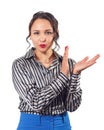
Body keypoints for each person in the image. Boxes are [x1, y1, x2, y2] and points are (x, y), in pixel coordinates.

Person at [12, 11, 100, 130]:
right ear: (30, 35)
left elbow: (72, 106)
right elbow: (36, 102)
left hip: (62, 123)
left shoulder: (69, 63)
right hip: (31, 123)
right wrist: (63, 76)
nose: (42, 38)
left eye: (48, 32)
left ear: (55, 34)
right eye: (36, 33)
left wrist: (75, 74)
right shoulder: (20, 64)